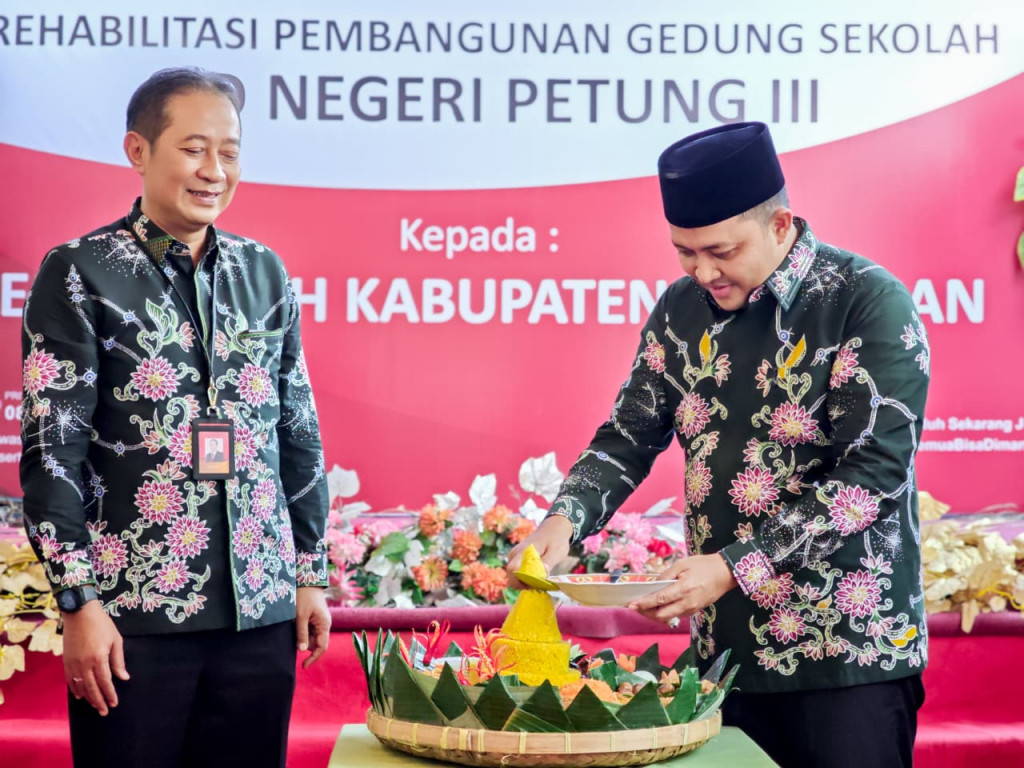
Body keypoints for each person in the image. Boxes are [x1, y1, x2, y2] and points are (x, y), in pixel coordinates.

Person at [508, 122, 929, 767]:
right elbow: (628, 436)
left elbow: (873, 474)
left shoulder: (864, 300)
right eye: (685, 252)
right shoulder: (681, 310)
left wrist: (734, 565)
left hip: (849, 654)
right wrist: (564, 520)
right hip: (723, 658)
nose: (703, 271)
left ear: (780, 225)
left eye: (721, 251)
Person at [20, 67, 331, 768]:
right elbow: (52, 450)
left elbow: (298, 433)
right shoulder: (79, 271)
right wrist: (78, 602)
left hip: (259, 612)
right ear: (138, 150)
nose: (214, 170)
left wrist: (309, 573)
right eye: (194, 149)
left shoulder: (264, 272)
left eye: (229, 152)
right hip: (132, 617)